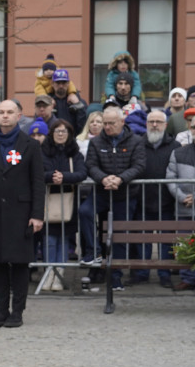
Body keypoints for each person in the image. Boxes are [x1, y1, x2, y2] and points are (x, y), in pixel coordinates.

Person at [0, 101, 45, 327]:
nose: (4, 116)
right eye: (1, 112)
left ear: (19, 116)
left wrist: (37, 215)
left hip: (21, 214)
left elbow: (38, 182)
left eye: (9, 112)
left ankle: (17, 312)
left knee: (19, 264)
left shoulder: (30, 145)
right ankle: (1, 310)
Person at [77, 103, 146, 291]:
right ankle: (95, 252)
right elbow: (90, 165)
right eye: (105, 123)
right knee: (85, 212)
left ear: (122, 122)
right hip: (101, 191)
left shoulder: (136, 141)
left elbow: (139, 166)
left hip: (125, 194)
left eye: (111, 123)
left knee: (119, 235)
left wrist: (121, 179)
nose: (106, 127)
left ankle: (116, 278)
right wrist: (104, 178)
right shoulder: (96, 142)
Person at [129, 110, 179, 287]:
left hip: (167, 202)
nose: (155, 125)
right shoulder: (137, 143)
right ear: (146, 124)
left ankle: (164, 274)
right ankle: (142, 273)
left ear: (165, 125)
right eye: (151, 122)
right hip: (142, 200)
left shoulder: (175, 145)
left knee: (166, 241)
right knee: (143, 240)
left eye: (159, 121)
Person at [40, 120, 86, 289]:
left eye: (64, 131)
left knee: (64, 239)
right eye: (57, 131)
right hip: (47, 201)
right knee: (49, 239)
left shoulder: (75, 153)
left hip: (68, 201)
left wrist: (64, 177)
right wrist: (52, 176)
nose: (60, 134)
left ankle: (59, 274)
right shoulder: (42, 151)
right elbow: (37, 172)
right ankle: (48, 273)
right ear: (51, 133)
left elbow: (82, 173)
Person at [166, 115, 195, 291]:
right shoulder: (178, 153)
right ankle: (188, 278)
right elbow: (170, 179)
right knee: (185, 244)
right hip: (185, 207)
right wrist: (182, 197)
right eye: (193, 127)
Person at [48, 69, 87, 134]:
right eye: (58, 83)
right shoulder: (46, 102)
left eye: (63, 83)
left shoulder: (79, 102)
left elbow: (84, 126)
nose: (61, 86)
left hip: (73, 140)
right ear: (52, 84)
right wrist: (48, 107)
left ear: (68, 83)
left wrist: (78, 105)